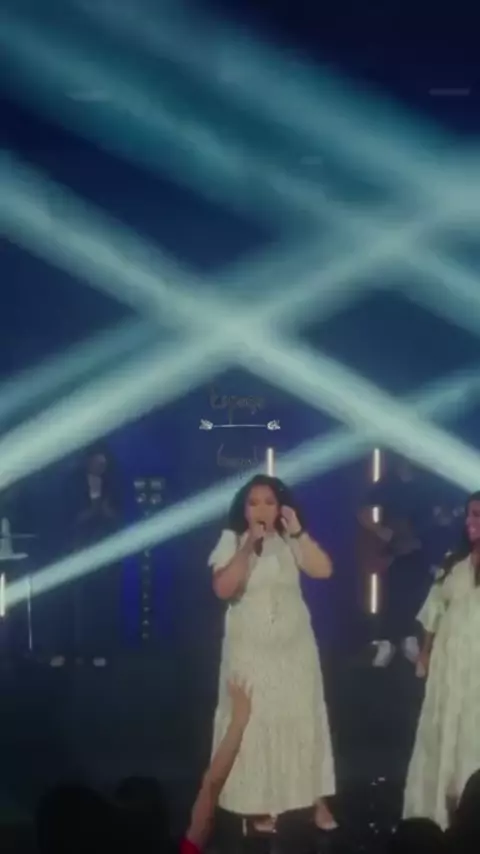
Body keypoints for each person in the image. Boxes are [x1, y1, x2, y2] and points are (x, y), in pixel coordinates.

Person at [209, 474, 336, 832]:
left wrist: (298, 533)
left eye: (269, 502)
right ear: (243, 509)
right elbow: (223, 588)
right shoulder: (231, 540)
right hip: (250, 651)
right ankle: (258, 805)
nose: (261, 509)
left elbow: (323, 570)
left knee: (300, 716)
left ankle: (313, 798)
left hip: (294, 649)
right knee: (255, 722)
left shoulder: (289, 539)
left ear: (280, 507)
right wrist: (248, 546)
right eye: (254, 503)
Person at [403, 491, 480, 829]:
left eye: (477, 515)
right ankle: (440, 814)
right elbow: (434, 609)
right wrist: (425, 651)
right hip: (449, 663)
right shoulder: (454, 561)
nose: (470, 522)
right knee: (444, 727)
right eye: (469, 515)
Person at [357, 455, 431, 668]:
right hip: (393, 547)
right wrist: (381, 531)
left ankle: (409, 639)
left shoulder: (424, 483)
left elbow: (434, 515)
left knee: (415, 593)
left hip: (418, 547)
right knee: (389, 593)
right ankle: (385, 642)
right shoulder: (388, 482)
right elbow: (362, 511)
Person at [52, 446, 122, 667]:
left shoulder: (112, 485)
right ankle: (66, 652)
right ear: (88, 461)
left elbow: (119, 517)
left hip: (102, 549)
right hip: (75, 549)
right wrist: (93, 511)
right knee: (70, 602)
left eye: (104, 464)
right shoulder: (72, 484)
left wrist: (106, 512)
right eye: (97, 463)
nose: (101, 467)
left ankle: (97, 651)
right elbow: (66, 517)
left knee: (98, 601)